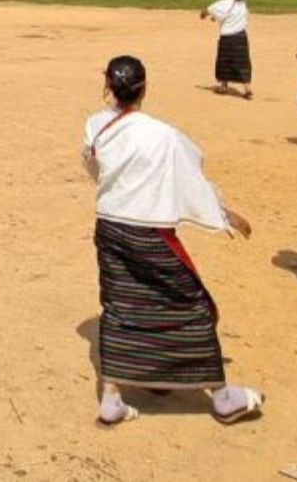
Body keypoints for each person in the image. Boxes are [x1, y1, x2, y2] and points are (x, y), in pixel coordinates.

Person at [82, 55, 264, 426]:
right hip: (151, 231)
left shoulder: (96, 126)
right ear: (145, 87)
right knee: (192, 305)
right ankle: (223, 397)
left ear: (107, 87)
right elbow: (191, 178)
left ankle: (112, 398)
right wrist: (224, 214)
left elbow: (92, 167)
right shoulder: (164, 135)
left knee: (120, 307)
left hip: (110, 226)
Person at [199, 0, 252, 98]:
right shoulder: (241, 3)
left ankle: (223, 87)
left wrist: (203, 15)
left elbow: (207, 10)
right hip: (241, 37)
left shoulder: (222, 4)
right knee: (243, 64)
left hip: (227, 39)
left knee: (224, 63)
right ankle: (247, 88)